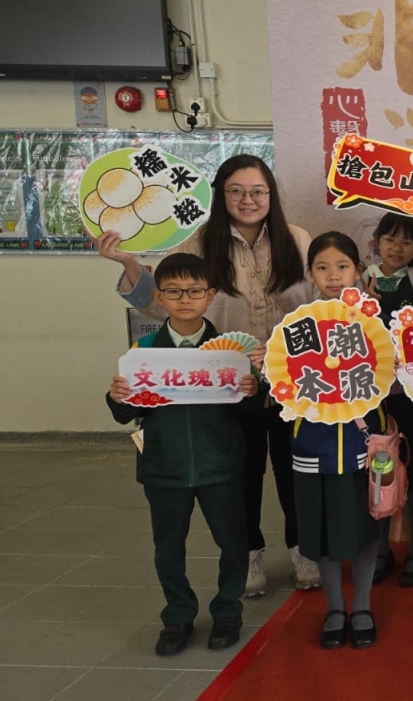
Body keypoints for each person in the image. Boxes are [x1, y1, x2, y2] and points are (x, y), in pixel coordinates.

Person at [99, 155, 321, 595]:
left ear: (271, 195)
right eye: (236, 191)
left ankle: (304, 549)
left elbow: (320, 300)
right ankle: (251, 552)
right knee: (241, 474)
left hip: (293, 383)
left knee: (297, 472)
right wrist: (128, 263)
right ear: (221, 195)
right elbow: (161, 302)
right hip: (227, 386)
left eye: (258, 191)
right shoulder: (199, 244)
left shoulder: (297, 239)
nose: (248, 199)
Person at [105, 253, 260, 657]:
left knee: (233, 542)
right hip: (164, 465)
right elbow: (126, 413)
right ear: (159, 296)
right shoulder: (144, 351)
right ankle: (177, 616)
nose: (185, 299)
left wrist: (252, 391)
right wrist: (116, 396)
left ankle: (227, 611)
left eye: (194, 291)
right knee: (168, 547)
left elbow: (249, 415)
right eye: (173, 292)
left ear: (211, 295)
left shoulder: (230, 352)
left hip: (220, 465)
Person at [291, 231, 387, 650]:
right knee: (323, 530)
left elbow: (395, 378)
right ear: (310, 273)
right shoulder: (296, 326)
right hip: (314, 444)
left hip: (365, 443)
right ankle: (334, 607)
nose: (333, 275)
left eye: (342, 266)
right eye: (322, 267)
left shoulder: (376, 322)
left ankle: (362, 605)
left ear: (358, 270)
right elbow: (284, 383)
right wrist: (265, 367)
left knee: (367, 524)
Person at [360, 212, 413, 586]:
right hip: (372, 395)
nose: (397, 248)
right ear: (376, 241)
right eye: (389, 239)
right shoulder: (360, 280)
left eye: (406, 241)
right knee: (379, 469)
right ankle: (380, 549)